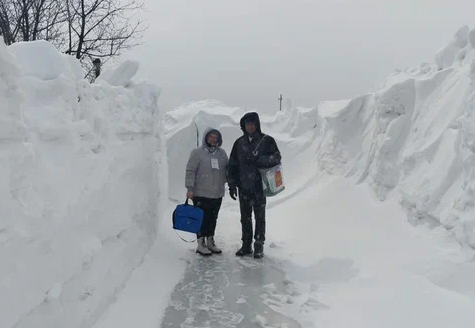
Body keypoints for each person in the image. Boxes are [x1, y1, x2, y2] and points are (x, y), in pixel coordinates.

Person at [227, 112, 282, 258]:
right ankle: (246, 245)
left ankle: (259, 245)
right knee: (245, 217)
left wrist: (262, 160)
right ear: (243, 126)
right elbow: (232, 164)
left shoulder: (267, 141)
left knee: (260, 217)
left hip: (260, 187)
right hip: (243, 187)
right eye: (247, 124)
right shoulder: (239, 143)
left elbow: (277, 157)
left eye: (252, 123)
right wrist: (232, 184)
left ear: (257, 124)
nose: (250, 126)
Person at [185, 128, 229, 256]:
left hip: (216, 193)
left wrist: (231, 182)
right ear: (206, 138)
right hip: (200, 193)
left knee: (212, 218)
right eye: (211, 137)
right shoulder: (197, 153)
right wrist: (190, 188)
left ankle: (210, 241)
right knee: (201, 219)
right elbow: (190, 171)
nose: (213, 139)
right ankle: (200, 243)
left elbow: (227, 171)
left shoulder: (221, 154)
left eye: (215, 137)